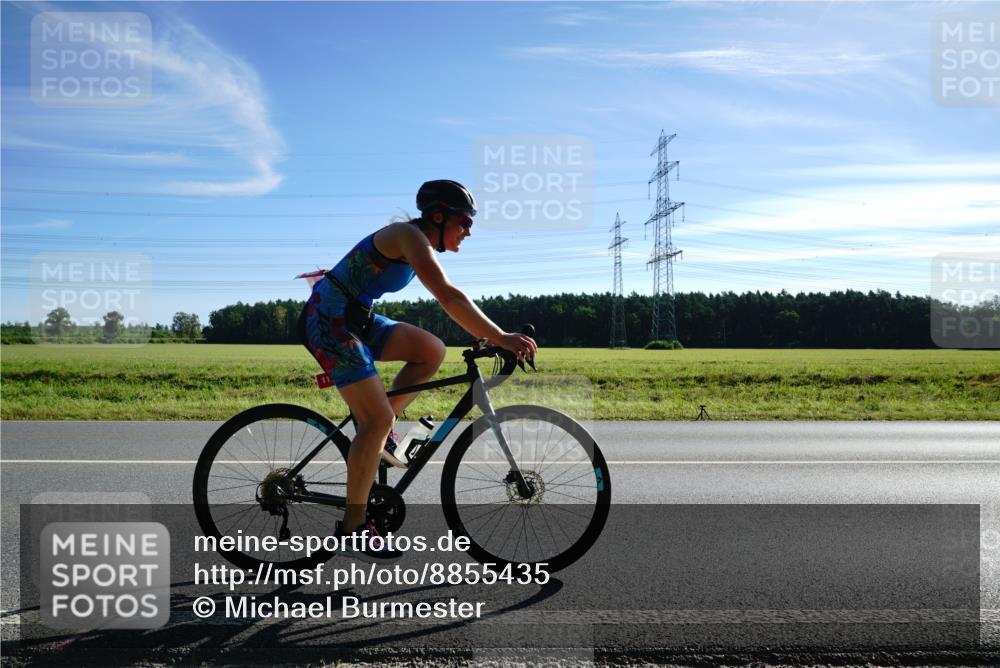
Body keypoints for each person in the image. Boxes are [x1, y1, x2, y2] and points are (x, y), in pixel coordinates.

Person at [301, 180, 537, 561]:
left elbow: (449, 298)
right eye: (465, 221)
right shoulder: (409, 236)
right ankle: (353, 528)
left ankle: (379, 436)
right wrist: (498, 336)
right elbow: (448, 295)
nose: (469, 230)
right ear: (438, 216)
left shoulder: (416, 242)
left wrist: (488, 337)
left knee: (431, 350)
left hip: (355, 318)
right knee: (374, 420)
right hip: (329, 321)